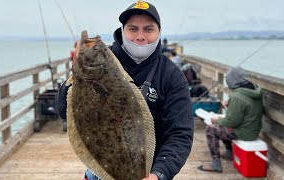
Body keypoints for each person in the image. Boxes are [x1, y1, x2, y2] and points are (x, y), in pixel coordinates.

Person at [55, 1, 194, 179]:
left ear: (159, 32)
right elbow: (62, 111)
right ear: (123, 30)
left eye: (148, 29)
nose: (140, 36)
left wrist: (159, 173)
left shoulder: (172, 76)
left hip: (147, 172)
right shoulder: (105, 59)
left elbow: (179, 133)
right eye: (133, 29)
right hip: (99, 170)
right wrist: (72, 79)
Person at [198, 66, 264, 173]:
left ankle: (216, 164)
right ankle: (229, 153)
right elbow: (246, 108)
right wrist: (230, 104)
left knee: (211, 129)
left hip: (244, 132)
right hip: (253, 129)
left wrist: (214, 120)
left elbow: (231, 122)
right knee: (222, 127)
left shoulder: (238, 96)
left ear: (232, 81)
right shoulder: (253, 89)